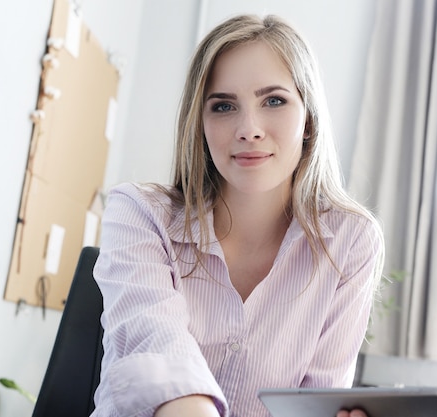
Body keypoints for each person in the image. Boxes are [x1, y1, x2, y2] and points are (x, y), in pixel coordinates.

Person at [91, 14, 384, 417]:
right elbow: (157, 347)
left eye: (274, 101)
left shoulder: (351, 239)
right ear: (201, 123)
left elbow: (318, 401)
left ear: (308, 119)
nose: (249, 129)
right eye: (224, 106)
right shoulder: (140, 215)